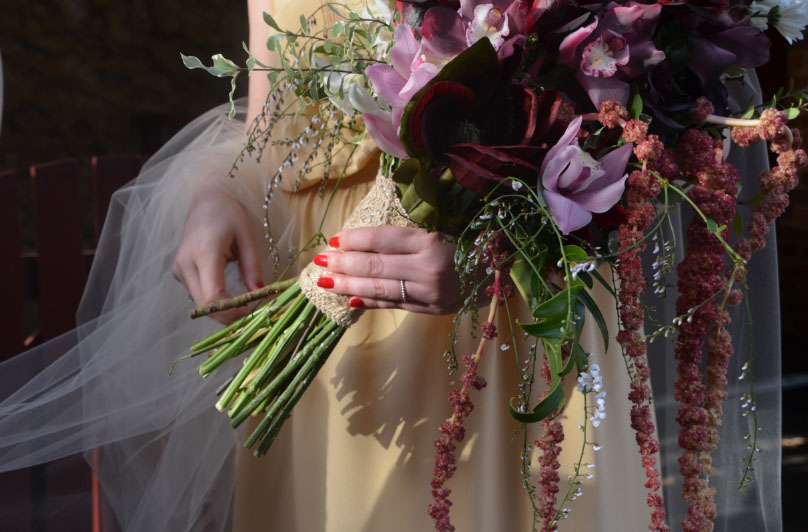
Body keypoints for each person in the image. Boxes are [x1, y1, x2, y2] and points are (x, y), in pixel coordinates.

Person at [0, 1, 782, 531]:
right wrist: (221, 191)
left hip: (517, 295)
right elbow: (273, 124)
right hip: (331, 317)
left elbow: (632, 122)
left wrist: (495, 245)